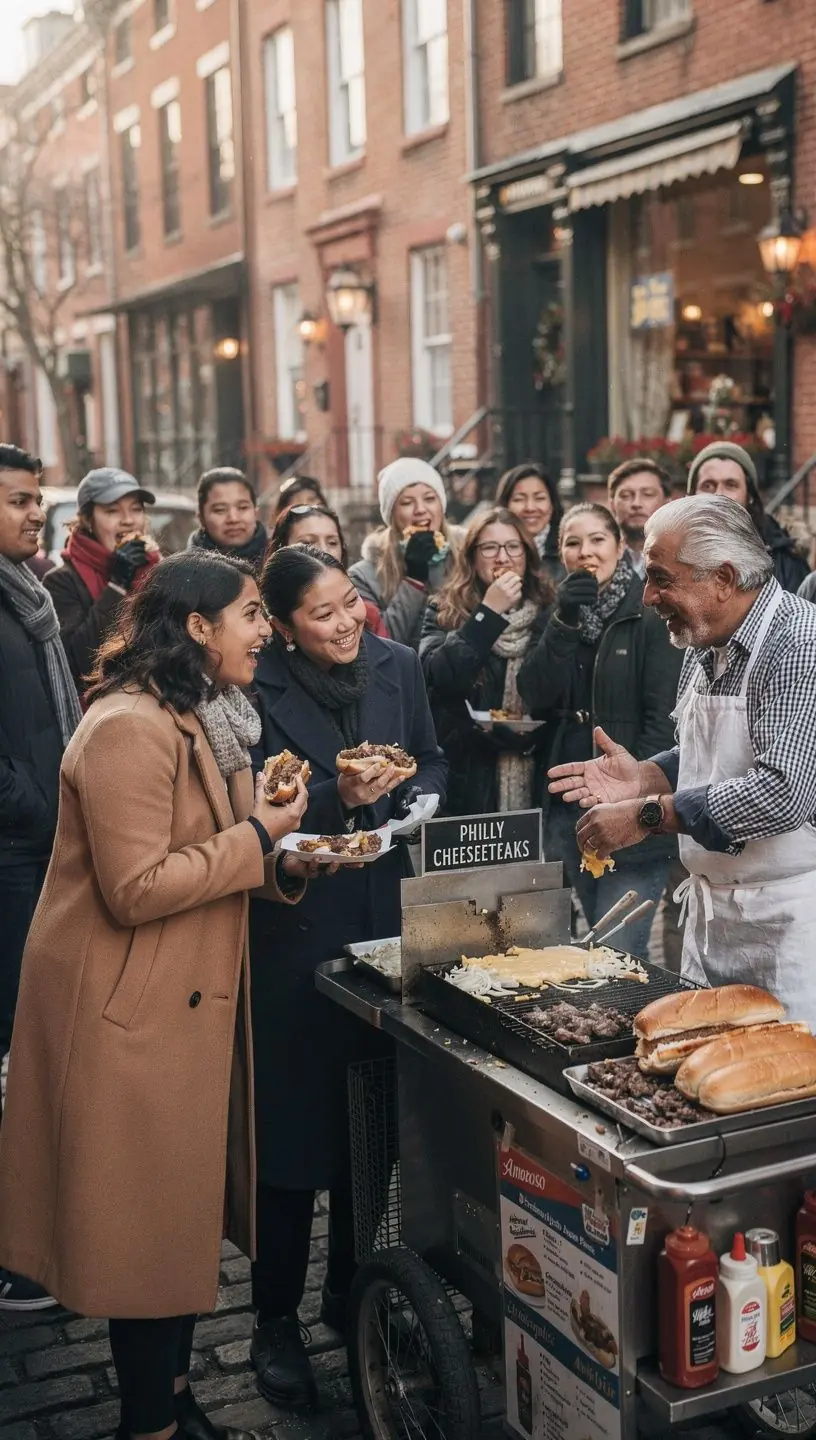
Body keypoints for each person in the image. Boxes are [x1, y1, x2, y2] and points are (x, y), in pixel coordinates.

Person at [0, 549, 315, 1440]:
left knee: (172, 1220)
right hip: (126, 1017)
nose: (268, 629)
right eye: (253, 613)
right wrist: (260, 833)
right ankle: (152, 1426)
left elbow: (233, 855)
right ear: (199, 628)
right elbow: (135, 886)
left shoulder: (213, 716)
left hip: (183, 1005)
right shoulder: (129, 726)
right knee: (143, 1230)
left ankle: (173, 1399)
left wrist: (283, 841)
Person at [249, 545, 447, 1408]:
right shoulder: (257, 691)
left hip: (384, 914)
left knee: (371, 1121)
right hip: (295, 927)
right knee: (294, 1137)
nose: (344, 624)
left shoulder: (398, 664)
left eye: (350, 604)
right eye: (321, 614)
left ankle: (348, 1291)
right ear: (285, 626)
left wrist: (413, 804)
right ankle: (273, 1319)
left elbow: (433, 759)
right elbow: (259, 808)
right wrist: (341, 796)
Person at [553, 496, 816, 1023]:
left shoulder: (798, 643)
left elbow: (783, 792)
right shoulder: (702, 639)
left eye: (660, 579)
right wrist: (647, 775)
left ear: (722, 576)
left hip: (789, 928)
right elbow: (705, 750)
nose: (648, 595)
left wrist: (649, 814)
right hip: (713, 922)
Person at [517, 503, 683, 958]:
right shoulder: (559, 611)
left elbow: (664, 719)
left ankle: (634, 1026)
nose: (585, 552)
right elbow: (534, 691)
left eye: (597, 540)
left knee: (620, 949)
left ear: (619, 547)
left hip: (628, 804)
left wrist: (631, 801)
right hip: (566, 798)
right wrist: (564, 622)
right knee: (591, 943)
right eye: (573, 542)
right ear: (561, 553)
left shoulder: (648, 613)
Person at [0, 444, 81, 1312]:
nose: (35, 514)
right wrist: (47, 809)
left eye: (37, 500)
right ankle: (16, 1254)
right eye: (19, 500)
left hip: (43, 849)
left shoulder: (32, 597)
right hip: (15, 856)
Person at [420, 507, 553, 816]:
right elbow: (438, 678)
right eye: (490, 548)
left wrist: (533, 738)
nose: (502, 558)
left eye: (512, 547)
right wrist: (487, 614)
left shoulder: (550, 608)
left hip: (536, 775)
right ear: (472, 557)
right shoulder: (443, 608)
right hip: (468, 775)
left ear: (527, 554)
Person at [44, 468, 159, 689]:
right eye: (112, 511)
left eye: (136, 509)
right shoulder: (61, 581)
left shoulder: (157, 568)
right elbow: (79, 661)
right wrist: (117, 585)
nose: (128, 520)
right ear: (87, 520)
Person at [349, 457, 459, 650]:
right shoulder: (363, 576)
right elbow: (378, 646)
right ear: (391, 514)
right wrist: (413, 581)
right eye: (407, 502)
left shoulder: (467, 557)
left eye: (430, 499)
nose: (420, 510)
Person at [687, 441, 809, 592]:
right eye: (708, 486)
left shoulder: (785, 560)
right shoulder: (670, 554)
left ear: (749, 496)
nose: (719, 495)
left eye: (731, 485)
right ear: (691, 495)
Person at [267, 502, 387, 636]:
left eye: (332, 542)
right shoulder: (259, 622)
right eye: (307, 543)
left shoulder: (367, 614)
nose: (324, 550)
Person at [495, 463, 564, 583]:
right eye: (519, 499)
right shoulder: (489, 553)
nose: (530, 508)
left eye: (539, 498)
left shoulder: (567, 551)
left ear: (552, 504)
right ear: (504, 505)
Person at [188, 467, 268, 568]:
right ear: (201, 518)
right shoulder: (182, 571)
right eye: (220, 510)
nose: (233, 519)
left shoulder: (279, 561)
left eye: (243, 507)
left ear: (256, 512)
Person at [607, 457, 673, 579]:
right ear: (612, 504)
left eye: (647, 494)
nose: (636, 503)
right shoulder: (599, 557)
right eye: (626, 495)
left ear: (667, 503)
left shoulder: (681, 558)